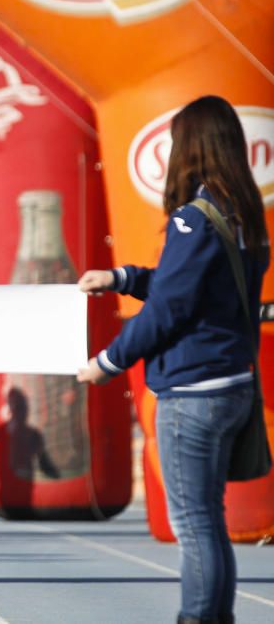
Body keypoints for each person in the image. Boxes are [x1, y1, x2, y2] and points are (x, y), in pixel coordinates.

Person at [77, 95, 269, 624]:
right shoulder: (244, 216)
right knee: (208, 520)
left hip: (193, 391)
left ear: (191, 147)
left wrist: (108, 362)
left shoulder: (195, 217)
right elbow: (193, 288)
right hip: (231, 385)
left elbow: (171, 309)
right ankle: (214, 617)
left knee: (194, 522)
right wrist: (122, 279)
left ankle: (197, 617)